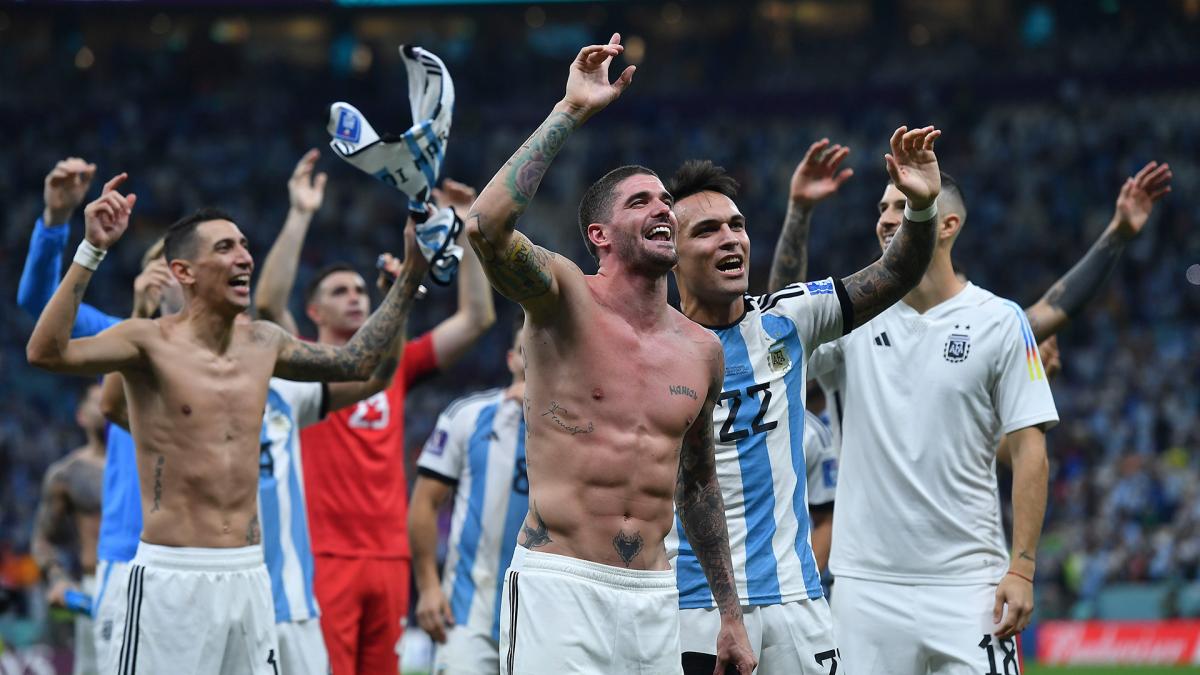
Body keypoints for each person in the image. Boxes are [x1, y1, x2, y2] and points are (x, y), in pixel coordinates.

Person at [777, 159, 1171, 675]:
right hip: (865, 586)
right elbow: (783, 328)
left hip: (971, 585)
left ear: (948, 225)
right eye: (882, 208)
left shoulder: (999, 322)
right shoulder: (851, 320)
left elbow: (1027, 448)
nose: (886, 218)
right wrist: (799, 213)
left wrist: (1022, 570)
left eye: (902, 205)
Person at [26, 174, 428, 674]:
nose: (244, 257)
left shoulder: (264, 342)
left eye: (244, 245)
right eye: (225, 248)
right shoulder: (147, 341)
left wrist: (410, 275)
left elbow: (358, 363)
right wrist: (92, 249)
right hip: (172, 576)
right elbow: (45, 351)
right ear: (183, 271)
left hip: (249, 575)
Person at [466, 34, 755, 674]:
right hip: (559, 584)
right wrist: (570, 110)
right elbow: (485, 227)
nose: (662, 209)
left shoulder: (701, 349)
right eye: (639, 201)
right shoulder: (563, 297)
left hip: (655, 595)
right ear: (598, 234)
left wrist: (729, 614)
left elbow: (699, 485)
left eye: (666, 202)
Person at [664, 126, 942, 673]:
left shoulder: (788, 318)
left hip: (796, 600)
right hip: (692, 605)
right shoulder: (649, 350)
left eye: (737, 226)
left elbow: (897, 272)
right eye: (707, 230)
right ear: (670, 253)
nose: (730, 239)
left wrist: (922, 208)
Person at [253, 150, 496, 675]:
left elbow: (476, 318)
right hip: (324, 553)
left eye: (361, 289)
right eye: (339, 291)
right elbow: (268, 305)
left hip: (389, 554)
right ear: (313, 311)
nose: (356, 297)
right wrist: (300, 213)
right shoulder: (302, 367)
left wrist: (469, 229)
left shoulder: (397, 364)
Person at [16, 157, 183, 673]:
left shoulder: (242, 352)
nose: (166, 277)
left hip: (212, 552)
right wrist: (55, 221)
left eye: (177, 264)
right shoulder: (118, 334)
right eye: (157, 264)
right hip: (129, 553)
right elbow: (38, 303)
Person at [409, 319, 528, 675]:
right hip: (467, 610)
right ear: (511, 359)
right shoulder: (468, 415)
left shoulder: (581, 428)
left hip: (546, 614)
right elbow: (425, 502)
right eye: (526, 349)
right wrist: (428, 586)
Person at [31, 383, 106, 675]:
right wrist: (57, 577)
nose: (105, 407)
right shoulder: (67, 474)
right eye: (96, 401)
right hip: (95, 587)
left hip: (148, 584)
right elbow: (42, 538)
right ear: (80, 415)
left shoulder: (146, 465)